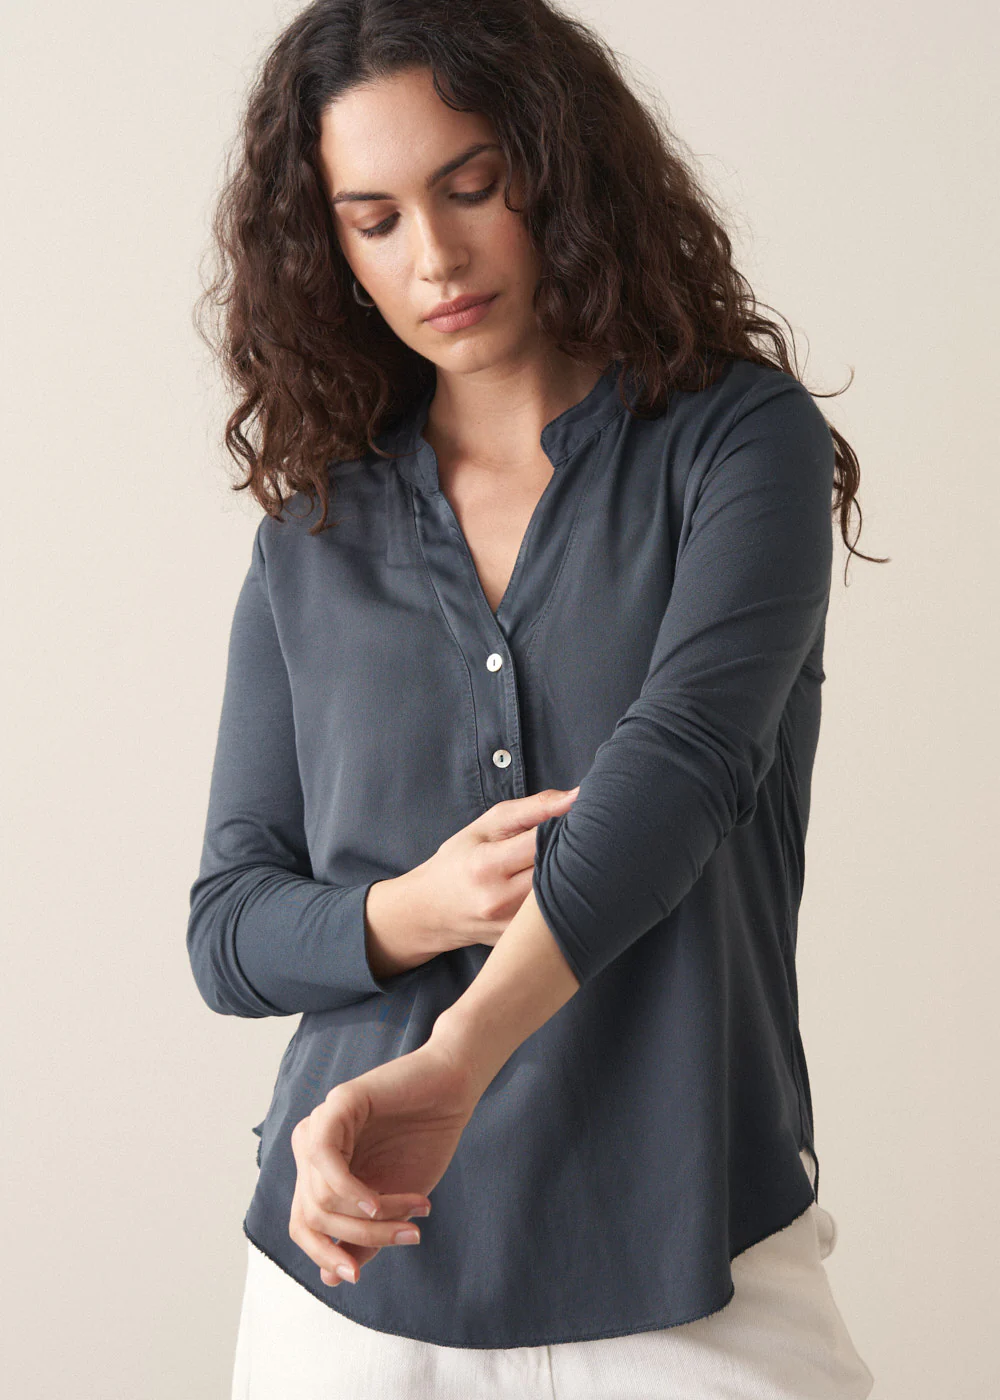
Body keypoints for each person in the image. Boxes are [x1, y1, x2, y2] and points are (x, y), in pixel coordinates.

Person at [188, 1, 884, 1395]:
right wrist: (412, 910)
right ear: (329, 249)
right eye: (374, 218)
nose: (434, 257)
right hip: (354, 1285)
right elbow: (229, 930)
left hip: (691, 1256)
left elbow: (680, 771)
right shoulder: (311, 537)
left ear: (559, 172)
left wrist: (453, 1062)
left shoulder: (736, 446)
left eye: (471, 186)